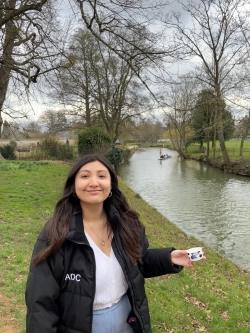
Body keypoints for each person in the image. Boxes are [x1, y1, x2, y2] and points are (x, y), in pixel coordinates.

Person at [25, 153, 200, 333]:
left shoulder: (127, 224)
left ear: (110, 185)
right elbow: (41, 304)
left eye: (102, 176)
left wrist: (169, 258)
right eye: (85, 176)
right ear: (74, 186)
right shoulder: (56, 233)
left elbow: (135, 264)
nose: (94, 182)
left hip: (127, 322)